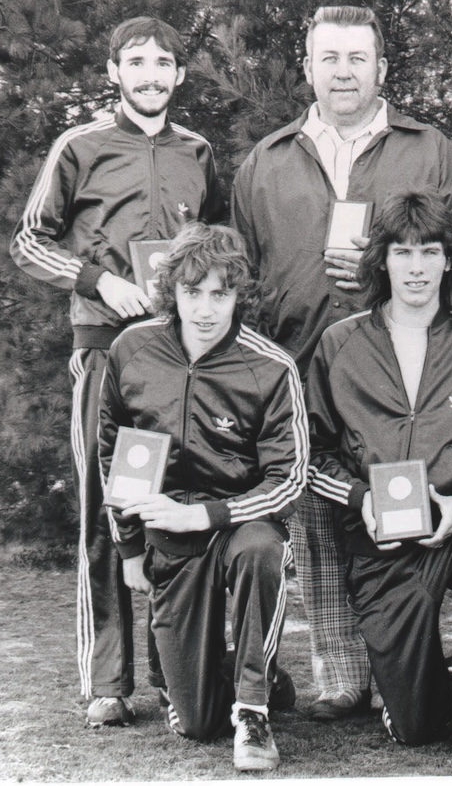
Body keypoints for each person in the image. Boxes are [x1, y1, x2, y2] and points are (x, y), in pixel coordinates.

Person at [231, 5, 452, 722]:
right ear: (309, 67)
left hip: (406, 366)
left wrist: (386, 259)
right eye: (329, 58)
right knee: (320, 522)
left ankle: (408, 664)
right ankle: (339, 671)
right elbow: (245, 275)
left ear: (382, 68)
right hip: (301, 363)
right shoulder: (268, 159)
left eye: (357, 58)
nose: (342, 71)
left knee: (410, 513)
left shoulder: (430, 148)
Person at [9, 16, 225, 728]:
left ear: (180, 75)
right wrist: (99, 281)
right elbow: (28, 242)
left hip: (180, 359)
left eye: (164, 62)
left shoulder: (199, 151)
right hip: (106, 348)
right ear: (114, 72)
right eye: (137, 62)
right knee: (109, 504)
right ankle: (108, 678)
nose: (152, 74)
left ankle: (176, 670)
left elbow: (217, 252)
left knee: (173, 499)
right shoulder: (80, 146)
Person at [306, 192, 452, 773]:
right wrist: (361, 501)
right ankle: (448, 687)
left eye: (429, 252)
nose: (416, 267)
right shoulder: (340, 342)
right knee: (414, 729)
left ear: (448, 261)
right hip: (380, 540)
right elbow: (312, 453)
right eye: (402, 252)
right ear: (380, 260)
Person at [98, 223, 307, 772]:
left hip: (241, 524)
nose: (206, 309)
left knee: (262, 550)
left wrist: (207, 514)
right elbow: (110, 454)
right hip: (169, 534)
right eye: (192, 292)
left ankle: (255, 707)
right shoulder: (131, 350)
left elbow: (290, 477)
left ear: (240, 293)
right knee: (196, 724)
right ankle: (210, 671)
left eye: (221, 293)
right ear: (172, 292)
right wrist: (130, 549)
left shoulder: (271, 366)